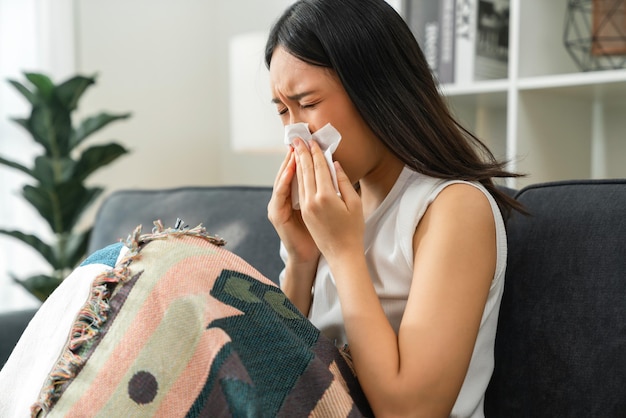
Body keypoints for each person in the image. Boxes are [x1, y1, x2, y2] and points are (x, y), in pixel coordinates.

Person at [265, 0, 525, 416]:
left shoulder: (453, 208)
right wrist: (300, 261)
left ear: (376, 90)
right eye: (282, 110)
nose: (295, 134)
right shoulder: (329, 210)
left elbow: (411, 411)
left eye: (308, 103)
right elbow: (275, 379)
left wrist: (344, 252)